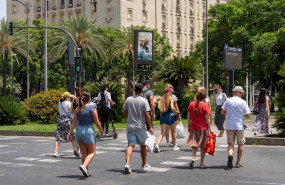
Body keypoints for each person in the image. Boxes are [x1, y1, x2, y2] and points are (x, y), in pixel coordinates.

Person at [68, 91, 104, 177]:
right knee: (92, 152)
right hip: (88, 130)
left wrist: (69, 133)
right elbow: (97, 122)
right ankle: (84, 166)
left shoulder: (77, 109)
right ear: (89, 98)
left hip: (79, 131)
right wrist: (101, 131)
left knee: (84, 153)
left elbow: (74, 122)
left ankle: (86, 171)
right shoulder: (92, 108)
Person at [123, 83, 153, 174]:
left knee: (130, 145)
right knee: (143, 145)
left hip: (130, 126)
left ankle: (127, 163)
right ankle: (144, 164)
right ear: (142, 91)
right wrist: (150, 126)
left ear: (134, 90)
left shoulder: (128, 99)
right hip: (141, 127)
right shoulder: (144, 101)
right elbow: (147, 114)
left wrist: (128, 118)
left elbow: (125, 111)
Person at [221, 86, 250, 169]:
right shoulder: (243, 102)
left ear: (234, 92)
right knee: (240, 144)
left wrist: (229, 112)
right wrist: (243, 114)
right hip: (239, 126)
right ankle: (238, 162)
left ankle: (230, 155)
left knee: (230, 144)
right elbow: (248, 115)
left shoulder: (228, 101)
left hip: (229, 125)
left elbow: (222, 112)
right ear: (240, 93)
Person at [186, 89, 212, 169]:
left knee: (194, 144)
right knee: (202, 146)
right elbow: (207, 119)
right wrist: (210, 129)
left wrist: (188, 126)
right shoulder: (205, 105)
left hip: (193, 127)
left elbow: (188, 117)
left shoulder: (191, 104)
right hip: (202, 128)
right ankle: (201, 162)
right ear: (204, 97)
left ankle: (193, 157)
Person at [53, 92, 79, 158]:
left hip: (60, 119)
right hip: (67, 120)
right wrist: (74, 100)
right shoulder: (69, 103)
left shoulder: (60, 103)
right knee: (72, 135)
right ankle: (75, 150)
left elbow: (61, 99)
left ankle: (55, 152)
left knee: (58, 135)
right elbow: (72, 111)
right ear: (68, 97)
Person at [155, 87, 180, 152]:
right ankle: (174, 146)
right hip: (170, 115)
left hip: (163, 116)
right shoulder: (170, 98)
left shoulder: (162, 99)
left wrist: (161, 117)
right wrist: (176, 112)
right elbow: (172, 107)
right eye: (171, 92)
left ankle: (157, 145)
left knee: (162, 133)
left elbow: (160, 110)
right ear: (169, 93)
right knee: (173, 131)